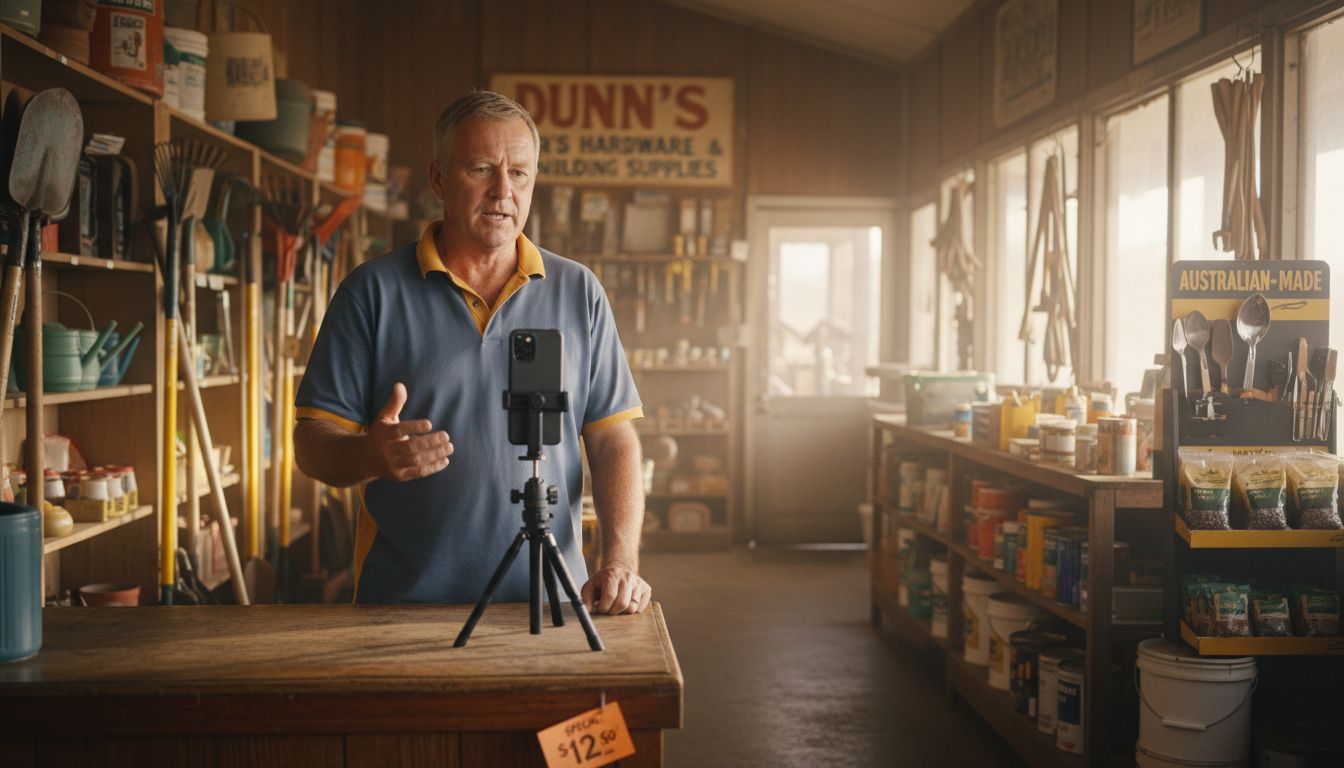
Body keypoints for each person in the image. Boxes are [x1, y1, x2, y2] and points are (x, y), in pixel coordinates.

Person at [294, 90, 651, 614]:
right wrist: (370, 454)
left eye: (520, 174)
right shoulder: (372, 292)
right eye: (482, 169)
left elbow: (613, 437)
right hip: (404, 606)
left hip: (551, 602)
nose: (502, 191)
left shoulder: (578, 291)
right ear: (438, 178)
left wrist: (619, 560)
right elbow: (311, 442)